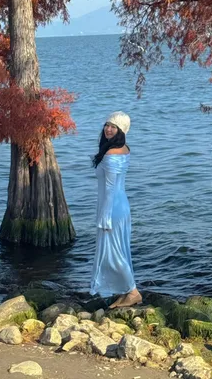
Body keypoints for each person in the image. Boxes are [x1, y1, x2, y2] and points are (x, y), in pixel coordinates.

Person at [90, 111, 142, 308]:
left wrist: (104, 216)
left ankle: (133, 292)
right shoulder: (124, 148)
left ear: (121, 130)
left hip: (112, 208)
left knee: (113, 253)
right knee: (119, 250)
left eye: (114, 127)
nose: (108, 129)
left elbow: (110, 189)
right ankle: (124, 291)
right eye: (107, 125)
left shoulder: (111, 154)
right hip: (120, 205)